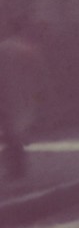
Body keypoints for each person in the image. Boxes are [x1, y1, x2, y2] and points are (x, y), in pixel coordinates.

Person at [0, 19, 48, 180]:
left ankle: (15, 168)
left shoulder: (3, 49)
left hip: (7, 95)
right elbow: (41, 75)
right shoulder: (30, 49)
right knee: (19, 132)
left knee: (10, 133)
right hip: (27, 96)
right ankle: (18, 167)